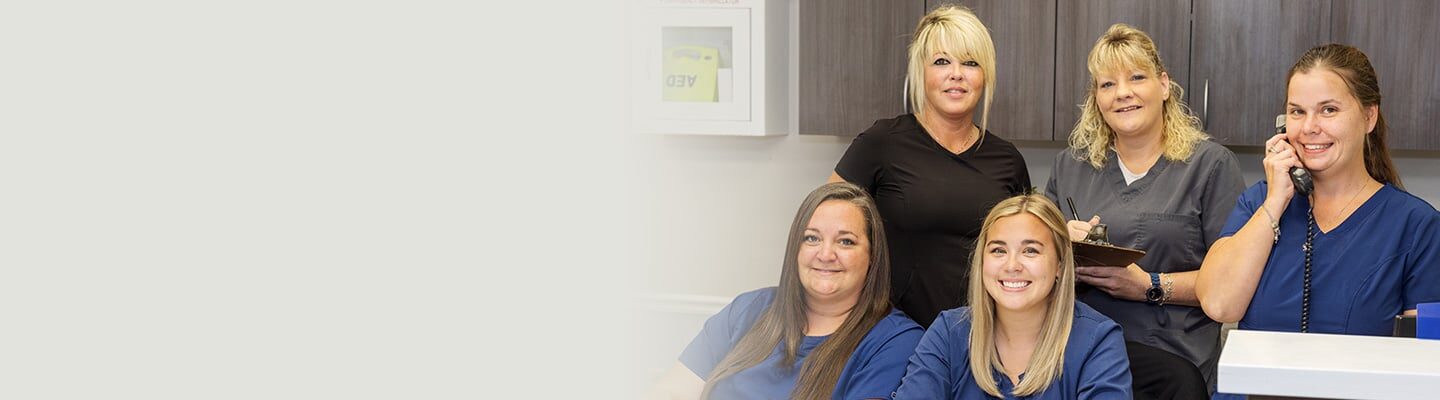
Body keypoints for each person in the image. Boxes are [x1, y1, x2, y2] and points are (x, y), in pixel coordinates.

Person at [1044, 23, 1242, 396]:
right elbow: (1035, 271)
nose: (1123, 93)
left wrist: (1148, 286)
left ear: (1164, 85)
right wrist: (1057, 245)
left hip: (1176, 369)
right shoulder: (1069, 167)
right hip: (1083, 365)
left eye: (1136, 77)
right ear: (1096, 99)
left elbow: (1232, 287)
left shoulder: (1210, 166)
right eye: (1107, 84)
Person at [1197, 44, 1440, 335]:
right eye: (1297, 112)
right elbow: (1219, 305)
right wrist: (1276, 202)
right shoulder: (1259, 203)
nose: (1309, 127)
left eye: (1328, 110)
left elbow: (1425, 359)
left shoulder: (1417, 226)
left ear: (1369, 117)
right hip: (1255, 381)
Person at [828, 5, 1030, 329]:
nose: (956, 74)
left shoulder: (1007, 160)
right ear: (921, 73)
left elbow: (1023, 254)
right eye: (941, 61)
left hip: (979, 337)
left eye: (970, 63)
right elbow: (826, 228)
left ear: (985, 75)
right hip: (892, 335)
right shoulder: (882, 143)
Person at [648, 182, 923, 400]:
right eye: (812, 238)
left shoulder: (896, 342)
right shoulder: (747, 310)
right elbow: (671, 392)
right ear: (796, 248)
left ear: (872, 255)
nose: (826, 254)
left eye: (846, 241)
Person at [893, 194, 1131, 399]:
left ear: (1060, 264)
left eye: (1030, 251)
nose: (1012, 265)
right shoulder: (949, 332)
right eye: (998, 250)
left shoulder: (1098, 340)